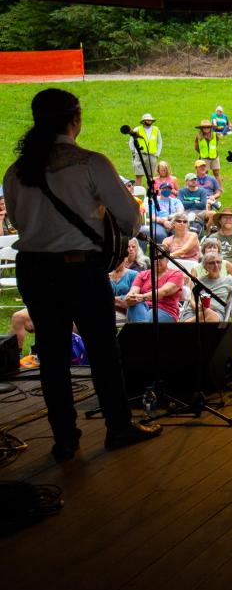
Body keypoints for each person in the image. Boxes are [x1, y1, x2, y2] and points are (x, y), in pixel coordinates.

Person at [3, 89, 160, 459]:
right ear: (76, 119)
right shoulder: (91, 164)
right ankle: (118, 428)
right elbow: (131, 219)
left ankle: (64, 438)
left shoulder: (16, 170)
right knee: (104, 350)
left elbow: (17, 220)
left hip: (34, 268)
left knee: (52, 354)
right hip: (79, 268)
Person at [130, 112, 162, 184]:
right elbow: (131, 141)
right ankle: (138, 193)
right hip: (140, 154)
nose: (149, 121)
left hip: (152, 155)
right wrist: (134, 152)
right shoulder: (137, 129)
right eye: (147, 120)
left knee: (150, 177)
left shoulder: (156, 130)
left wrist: (157, 154)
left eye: (150, 120)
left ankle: (149, 192)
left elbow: (160, 142)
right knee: (138, 175)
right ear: (144, 121)